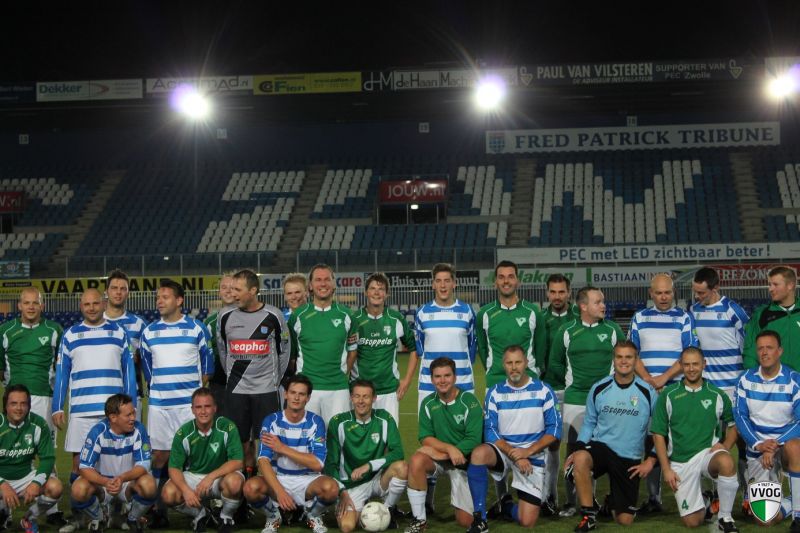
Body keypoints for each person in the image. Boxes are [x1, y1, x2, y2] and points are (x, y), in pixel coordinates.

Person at [476, 262, 548, 517]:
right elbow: (483, 350)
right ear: (495, 281)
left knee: (536, 438)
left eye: (510, 277)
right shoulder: (485, 314)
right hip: (497, 385)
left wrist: (533, 373)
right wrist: (494, 373)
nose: (506, 281)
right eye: (501, 277)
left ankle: (542, 495)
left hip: (528, 386)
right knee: (497, 440)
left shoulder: (532, 312)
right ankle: (503, 496)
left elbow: (540, 348)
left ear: (518, 280)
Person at [140, 279, 214, 527]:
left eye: (165, 297)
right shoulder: (149, 332)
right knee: (160, 456)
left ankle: (201, 507)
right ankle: (158, 510)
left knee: (193, 456)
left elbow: (207, 369)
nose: (159, 301)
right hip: (160, 406)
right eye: (158, 297)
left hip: (188, 407)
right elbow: (148, 372)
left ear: (179, 300)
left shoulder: (197, 329)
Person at [546, 286, 624, 518]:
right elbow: (555, 363)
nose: (603, 305)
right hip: (576, 401)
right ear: (583, 306)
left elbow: (624, 361)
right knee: (574, 451)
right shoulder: (567, 331)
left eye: (603, 301)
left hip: (607, 401)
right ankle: (571, 502)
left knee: (608, 451)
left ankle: (602, 500)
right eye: (598, 302)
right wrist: (574, 383)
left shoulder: (613, 330)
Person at [564, 340, 657, 532]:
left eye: (628, 357)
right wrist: (578, 449)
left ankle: (610, 503)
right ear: (613, 360)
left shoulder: (648, 392)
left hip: (628, 456)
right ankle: (589, 516)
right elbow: (589, 423)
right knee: (580, 459)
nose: (624, 361)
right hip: (601, 448)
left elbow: (660, 430)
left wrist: (650, 460)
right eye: (619, 357)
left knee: (624, 520)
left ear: (636, 360)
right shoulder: (599, 388)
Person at [465, 345, 561, 532]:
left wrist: (527, 452)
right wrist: (515, 454)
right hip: (504, 452)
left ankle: (505, 506)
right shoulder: (494, 392)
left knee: (527, 521)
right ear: (504, 365)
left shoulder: (544, 390)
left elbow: (554, 430)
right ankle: (480, 519)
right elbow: (490, 431)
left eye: (518, 362)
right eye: (509, 363)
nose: (514, 367)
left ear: (526, 363)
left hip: (532, 456)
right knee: (479, 454)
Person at [52, 289, 136, 486]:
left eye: (95, 303)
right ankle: (81, 505)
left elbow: (129, 372)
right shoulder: (70, 335)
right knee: (79, 466)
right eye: (87, 304)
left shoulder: (119, 333)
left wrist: (130, 405)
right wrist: (57, 407)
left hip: (113, 412)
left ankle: (115, 502)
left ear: (104, 304)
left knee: (116, 464)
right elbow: (62, 374)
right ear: (81, 306)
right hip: (81, 412)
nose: (91, 308)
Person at [629, 273, 697, 513]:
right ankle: (653, 498)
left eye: (667, 292)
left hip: (676, 389)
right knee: (651, 441)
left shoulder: (684, 318)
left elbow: (689, 354)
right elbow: (632, 354)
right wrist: (649, 380)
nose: (663, 297)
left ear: (673, 292)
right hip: (648, 391)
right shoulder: (639, 317)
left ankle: (694, 495)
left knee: (684, 442)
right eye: (658, 293)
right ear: (651, 293)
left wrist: (664, 378)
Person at [651, 347, 739, 532]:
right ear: (681, 366)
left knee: (726, 461)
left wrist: (725, 446)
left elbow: (733, 425)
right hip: (681, 461)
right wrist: (666, 469)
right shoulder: (668, 395)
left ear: (704, 364)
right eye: (687, 364)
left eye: (695, 364)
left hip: (707, 454)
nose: (691, 369)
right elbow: (658, 435)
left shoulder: (717, 394)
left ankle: (725, 518)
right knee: (693, 522)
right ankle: (706, 499)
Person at [243, 375, 339, 533]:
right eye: (293, 392)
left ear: (308, 398)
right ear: (285, 394)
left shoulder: (316, 422)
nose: (296, 397)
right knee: (250, 488)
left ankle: (312, 514)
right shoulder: (271, 421)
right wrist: (280, 492)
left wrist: (282, 448)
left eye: (301, 394)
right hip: (279, 478)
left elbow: (317, 464)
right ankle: (273, 516)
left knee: (331, 489)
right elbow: (263, 460)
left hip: (308, 480)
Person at [218, 269, 290, 477]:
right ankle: (239, 482)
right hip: (236, 389)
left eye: (238, 290)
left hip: (266, 389)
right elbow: (223, 350)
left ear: (253, 290)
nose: (233, 294)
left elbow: (284, 351)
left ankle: (264, 482)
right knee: (238, 439)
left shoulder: (273, 315)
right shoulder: (225, 316)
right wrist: (233, 376)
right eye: (232, 289)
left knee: (266, 439)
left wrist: (273, 380)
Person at [691, 266, 750, 510]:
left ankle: (748, 496)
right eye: (695, 292)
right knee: (710, 442)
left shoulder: (733, 310)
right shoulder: (694, 310)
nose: (697, 297)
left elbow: (748, 346)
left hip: (734, 388)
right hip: (710, 390)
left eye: (702, 293)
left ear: (715, 288)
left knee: (744, 442)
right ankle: (714, 495)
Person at [404, 357, 483, 533]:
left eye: (447, 375)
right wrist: (449, 449)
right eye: (437, 376)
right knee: (417, 460)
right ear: (432, 379)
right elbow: (425, 437)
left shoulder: (469, 402)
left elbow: (474, 439)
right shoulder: (428, 403)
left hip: (463, 462)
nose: (442, 380)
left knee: (465, 521)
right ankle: (419, 520)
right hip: (441, 459)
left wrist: (447, 453)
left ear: (455, 377)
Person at [734, 330, 800, 530]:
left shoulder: (794, 380)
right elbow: (740, 417)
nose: (764, 352)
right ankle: (791, 499)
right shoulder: (745, 380)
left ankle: (798, 515)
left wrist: (775, 445)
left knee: (795, 447)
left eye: (769, 348)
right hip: (758, 451)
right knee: (765, 520)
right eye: (760, 348)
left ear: (779, 351)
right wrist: (759, 445)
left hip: (783, 448)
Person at [326, 379, 407, 533]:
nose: (361, 401)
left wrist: (369, 466)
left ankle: (387, 510)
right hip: (351, 485)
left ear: (374, 398)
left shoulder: (384, 418)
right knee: (347, 527)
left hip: (377, 478)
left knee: (401, 467)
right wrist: (342, 492)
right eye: (357, 396)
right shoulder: (338, 422)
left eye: (366, 396)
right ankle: (360, 507)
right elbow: (330, 464)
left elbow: (398, 452)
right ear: (351, 398)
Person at [162, 387, 244, 533]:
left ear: (215, 408)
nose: (203, 411)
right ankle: (201, 514)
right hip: (194, 476)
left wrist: (211, 477)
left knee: (235, 483)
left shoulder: (227, 427)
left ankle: (226, 517)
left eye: (207, 406)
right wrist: (186, 490)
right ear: (192, 410)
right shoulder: (183, 433)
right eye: (198, 407)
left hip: (220, 477)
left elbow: (237, 461)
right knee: (168, 494)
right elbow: (174, 468)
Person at [71, 394, 156, 533]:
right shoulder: (98, 432)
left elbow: (144, 464)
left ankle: (132, 519)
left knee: (149, 485)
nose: (133, 418)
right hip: (103, 484)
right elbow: (85, 467)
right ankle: (100, 519)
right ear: (113, 417)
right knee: (78, 489)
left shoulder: (139, 429)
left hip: (127, 482)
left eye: (133, 413)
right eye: (128, 415)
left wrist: (122, 478)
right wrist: (105, 482)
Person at [288, 264, 357, 425]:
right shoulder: (298, 316)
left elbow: (353, 351)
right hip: (307, 390)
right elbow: (292, 355)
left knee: (338, 437)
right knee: (308, 437)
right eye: (318, 280)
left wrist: (341, 372)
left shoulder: (347, 315)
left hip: (338, 390)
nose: (323, 284)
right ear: (310, 286)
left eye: (327, 279)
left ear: (334, 284)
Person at [347, 272, 418, 424]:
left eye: (381, 289)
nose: (377, 292)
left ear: (387, 294)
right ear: (366, 292)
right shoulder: (354, 319)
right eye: (372, 288)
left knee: (388, 436)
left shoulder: (396, 319)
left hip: (389, 391)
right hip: (360, 391)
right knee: (359, 435)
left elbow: (414, 349)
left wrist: (407, 381)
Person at [0, 384, 62, 533]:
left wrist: (36, 483)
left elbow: (47, 459)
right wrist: (2, 484)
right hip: (1, 480)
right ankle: (3, 512)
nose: (19, 408)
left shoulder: (38, 424)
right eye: (13, 403)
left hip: (25, 478)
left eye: (23, 403)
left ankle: (29, 518)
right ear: (5, 406)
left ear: (29, 405)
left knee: (55, 487)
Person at [542, 273, 578, 515]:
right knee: (551, 444)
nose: (557, 296)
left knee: (574, 445)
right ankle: (550, 497)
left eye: (561, 292)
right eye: (553, 292)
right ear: (547, 293)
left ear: (569, 293)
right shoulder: (540, 319)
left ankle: (573, 500)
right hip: (549, 389)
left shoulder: (578, 317)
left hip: (574, 391)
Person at [104, 270, 148, 421]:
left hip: (132, 395)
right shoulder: (96, 322)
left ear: (128, 293)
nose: (118, 292)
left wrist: (137, 357)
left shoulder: (139, 324)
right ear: (106, 291)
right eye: (114, 288)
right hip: (103, 394)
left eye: (123, 289)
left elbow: (148, 358)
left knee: (132, 435)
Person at [744, 265, 800, 371]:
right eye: (769, 285)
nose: (770, 289)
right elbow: (750, 351)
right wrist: (753, 375)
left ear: (790, 285)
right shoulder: (762, 314)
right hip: (774, 379)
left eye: (775, 284)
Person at [204, 272, 236, 413]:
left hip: (246, 384)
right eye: (224, 287)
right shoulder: (210, 323)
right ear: (219, 292)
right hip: (218, 385)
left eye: (232, 287)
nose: (228, 291)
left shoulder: (250, 319)